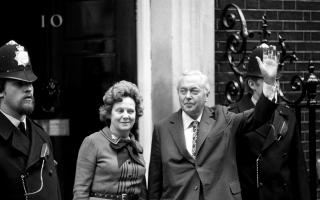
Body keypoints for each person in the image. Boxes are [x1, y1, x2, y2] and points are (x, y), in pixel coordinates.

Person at [148, 47, 279, 200]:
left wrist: (269, 83)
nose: (188, 96)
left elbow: (258, 116)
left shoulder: (222, 118)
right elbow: (155, 183)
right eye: (183, 91)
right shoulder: (162, 129)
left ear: (206, 95)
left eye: (194, 91)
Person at [228, 44, 310, 200]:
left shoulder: (287, 115)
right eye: (267, 79)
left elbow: (298, 167)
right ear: (252, 84)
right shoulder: (234, 115)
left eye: (275, 79)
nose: (274, 84)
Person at [0, 40, 62, 200]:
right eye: (19, 83)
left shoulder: (41, 136)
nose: (28, 88)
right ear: (1, 90)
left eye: (30, 82)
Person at [73, 80, 146, 200]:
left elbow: (143, 192)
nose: (126, 115)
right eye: (120, 111)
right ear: (109, 113)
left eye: (131, 111)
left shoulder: (137, 147)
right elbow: (80, 192)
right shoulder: (92, 142)